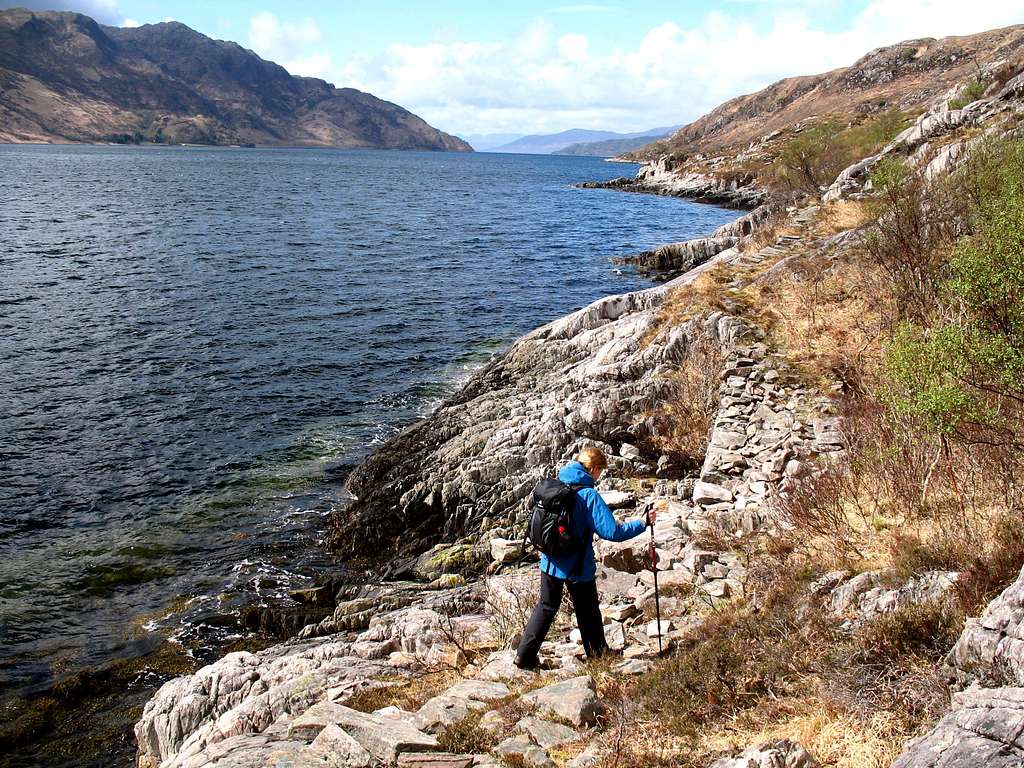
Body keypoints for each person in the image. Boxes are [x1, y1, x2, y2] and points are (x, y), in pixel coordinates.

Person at [515, 446, 657, 669]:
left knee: (545, 606)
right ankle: (598, 654)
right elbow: (613, 532)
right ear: (593, 469)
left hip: (550, 560)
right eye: (600, 471)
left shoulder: (556, 483)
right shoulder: (588, 495)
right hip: (577, 564)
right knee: (588, 610)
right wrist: (643, 523)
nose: (600, 476)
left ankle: (524, 655)